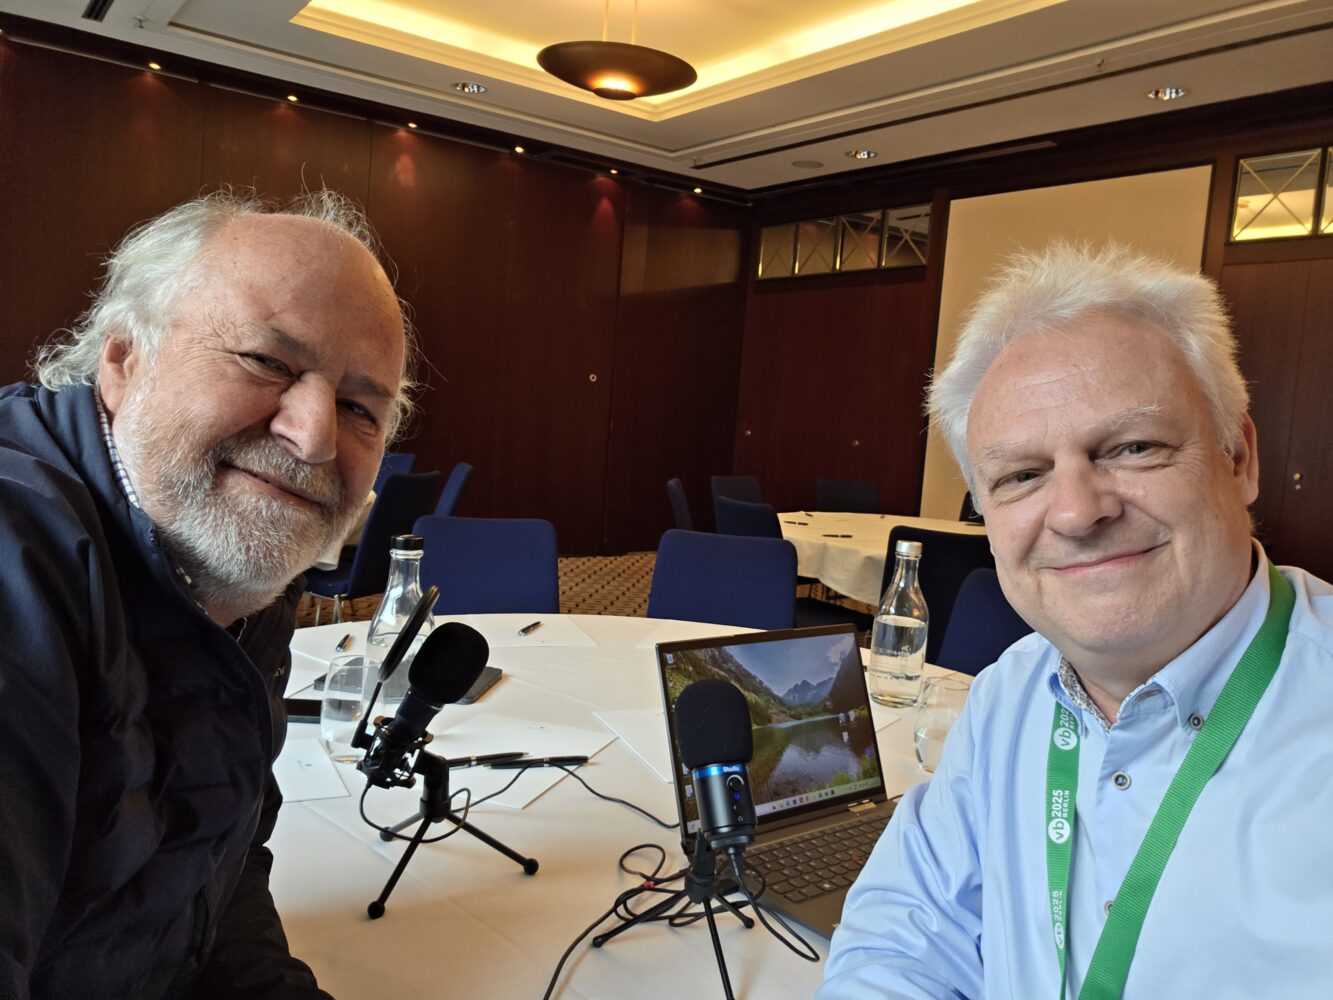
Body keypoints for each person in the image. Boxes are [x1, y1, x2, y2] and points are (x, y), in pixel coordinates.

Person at [819, 242, 1333, 998]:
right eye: (1021, 475)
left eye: (1132, 447)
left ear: (1239, 458)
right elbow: (906, 932)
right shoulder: (1009, 692)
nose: (1075, 511)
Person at [0, 190, 416, 999]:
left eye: (361, 407)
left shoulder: (229, 568)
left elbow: (215, 873)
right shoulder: (17, 567)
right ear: (123, 361)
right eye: (267, 363)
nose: (315, 435)